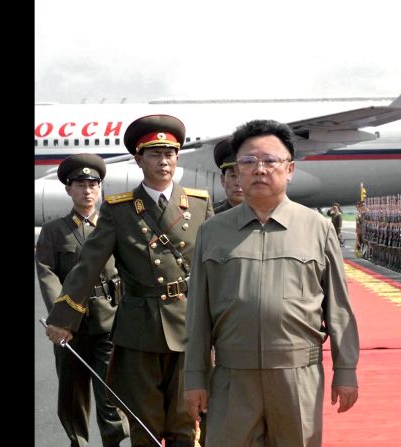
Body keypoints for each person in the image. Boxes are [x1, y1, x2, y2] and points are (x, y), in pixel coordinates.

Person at [183, 119, 360, 447]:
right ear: (236, 170)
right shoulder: (212, 231)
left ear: (290, 169)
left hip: (297, 376)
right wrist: (194, 377)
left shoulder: (317, 228)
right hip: (232, 376)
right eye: (248, 162)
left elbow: (339, 308)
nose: (259, 170)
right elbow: (197, 314)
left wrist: (346, 370)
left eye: (270, 161)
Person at [44, 114, 214, 447]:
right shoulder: (118, 209)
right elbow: (89, 265)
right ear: (138, 159)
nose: (164, 161)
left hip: (188, 327)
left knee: (185, 421)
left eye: (170, 153)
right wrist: (64, 318)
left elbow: (214, 269)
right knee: (144, 425)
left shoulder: (199, 204)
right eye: (154, 154)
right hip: (139, 329)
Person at [36, 154, 130, 447]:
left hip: (109, 322)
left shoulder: (116, 226)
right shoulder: (54, 231)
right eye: (80, 185)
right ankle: (79, 443)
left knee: (110, 393)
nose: (87, 190)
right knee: (72, 395)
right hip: (70, 327)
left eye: (93, 184)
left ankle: (114, 442)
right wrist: (61, 319)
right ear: (68, 190)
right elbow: (47, 273)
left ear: (100, 189)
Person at [212, 138, 244, 214]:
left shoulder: (271, 217)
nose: (238, 183)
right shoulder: (209, 216)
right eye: (233, 176)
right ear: (223, 180)